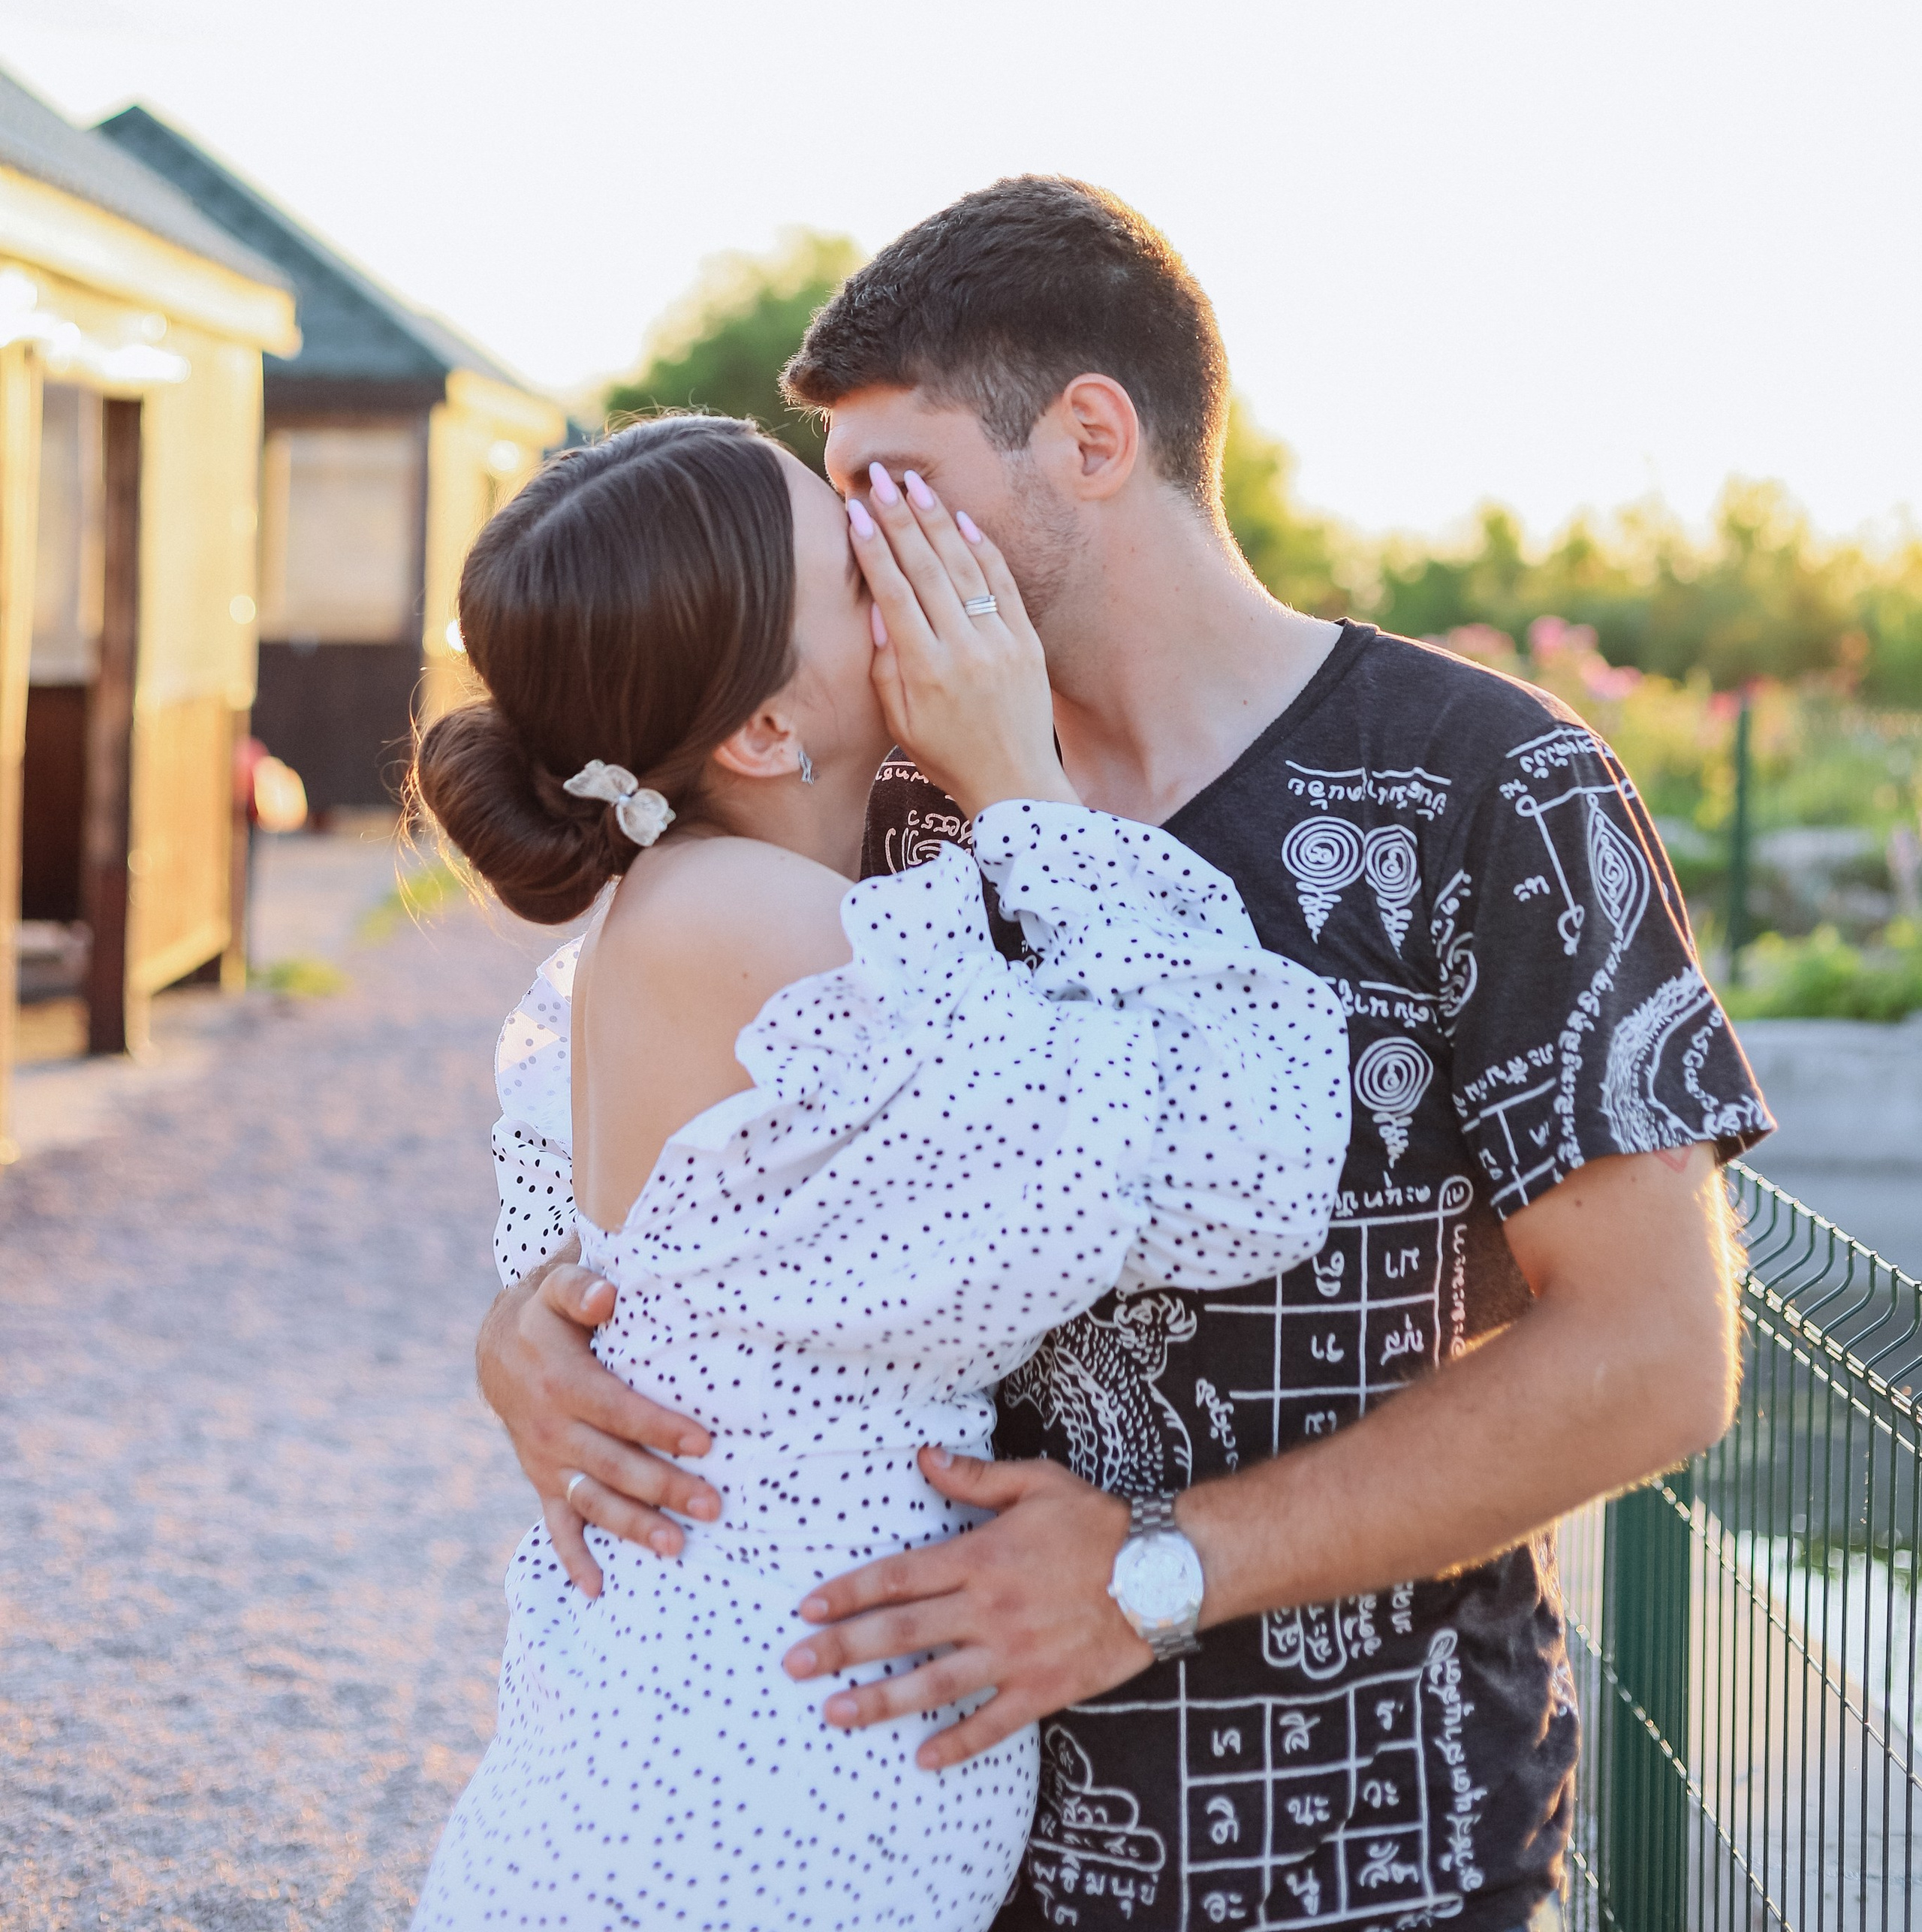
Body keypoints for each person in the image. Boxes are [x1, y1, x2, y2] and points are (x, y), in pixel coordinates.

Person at [483, 177, 1774, 1932]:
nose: (860, 550)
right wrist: (534, 1331)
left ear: (1089, 438)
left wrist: (1156, 1577)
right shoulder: (866, 809)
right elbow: (659, 1156)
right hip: (914, 1855)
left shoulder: (1487, 788)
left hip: (1361, 1862)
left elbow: (1653, 1359)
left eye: (892, 489)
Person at [408, 411, 1350, 1932]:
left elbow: (561, 1229)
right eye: (859, 563)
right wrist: (1023, 780)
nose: (913, 564)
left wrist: (516, 1328)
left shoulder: (707, 912)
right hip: (711, 1834)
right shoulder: (759, 928)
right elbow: (1253, 1159)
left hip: (722, 1795)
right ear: (763, 731)